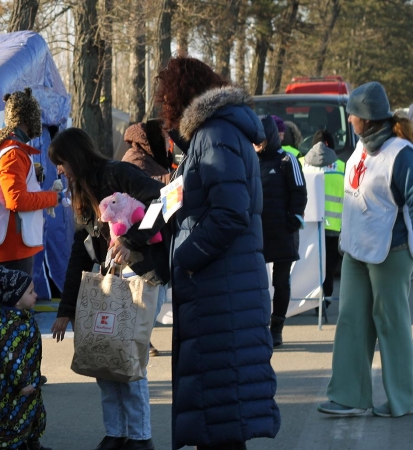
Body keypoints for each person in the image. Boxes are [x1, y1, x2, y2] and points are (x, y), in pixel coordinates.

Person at [156, 57, 280, 450]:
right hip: (224, 286)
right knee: (224, 412)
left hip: (219, 288)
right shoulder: (220, 132)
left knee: (221, 414)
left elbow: (229, 213)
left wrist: (185, 258)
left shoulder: (214, 134)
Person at [50, 128, 167, 450]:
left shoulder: (117, 173)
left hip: (141, 277)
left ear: (74, 156)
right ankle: (116, 433)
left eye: (61, 162)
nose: (60, 170)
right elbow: (79, 253)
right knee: (105, 358)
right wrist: (66, 309)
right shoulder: (81, 193)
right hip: (107, 282)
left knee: (128, 358)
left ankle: (140, 437)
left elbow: (162, 201)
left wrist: (132, 241)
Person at [317, 82, 413, 418]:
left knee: (392, 324)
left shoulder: (401, 153)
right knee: (351, 322)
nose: (350, 120)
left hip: (392, 250)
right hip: (356, 249)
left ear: (367, 119)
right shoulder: (361, 147)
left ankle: (405, 399)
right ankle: (348, 397)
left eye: (353, 115)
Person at [0, 88, 60, 276]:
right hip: (15, 243)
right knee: (17, 302)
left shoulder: (0, 146)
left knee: (13, 301)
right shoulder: (13, 153)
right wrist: (53, 198)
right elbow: (17, 201)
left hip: (9, 241)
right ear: (29, 118)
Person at [0, 266, 50, 450]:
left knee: (34, 413)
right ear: (15, 298)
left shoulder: (22, 318)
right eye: (30, 292)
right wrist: (21, 382)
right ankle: (6, 445)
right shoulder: (11, 325)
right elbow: (11, 358)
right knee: (15, 419)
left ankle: (30, 442)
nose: (35, 295)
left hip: (28, 380)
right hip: (12, 385)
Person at [255, 115, 308, 347]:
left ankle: (277, 328)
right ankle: (258, 325)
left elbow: (299, 191)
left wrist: (294, 219)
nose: (255, 143)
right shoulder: (249, 160)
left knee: (281, 282)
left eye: (259, 139)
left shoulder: (287, 159)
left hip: (283, 232)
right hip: (257, 232)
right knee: (257, 281)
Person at [121, 119, 172, 357]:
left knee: (150, 300)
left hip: (146, 238)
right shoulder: (136, 161)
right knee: (147, 300)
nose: (165, 144)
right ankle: (140, 343)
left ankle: (141, 342)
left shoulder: (145, 160)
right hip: (143, 243)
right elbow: (149, 202)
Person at [303, 134, 344, 301]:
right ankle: (324, 300)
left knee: (306, 266)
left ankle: (306, 299)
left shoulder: (301, 164)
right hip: (333, 227)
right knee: (327, 267)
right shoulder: (342, 166)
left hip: (308, 226)